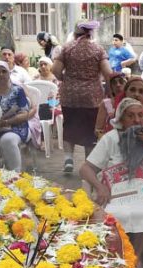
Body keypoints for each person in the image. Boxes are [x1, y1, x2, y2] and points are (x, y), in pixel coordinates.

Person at [79, 97, 143, 268]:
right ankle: (131, 259)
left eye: (140, 116)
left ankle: (132, 259)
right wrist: (99, 187)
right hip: (114, 192)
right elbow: (85, 169)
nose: (137, 121)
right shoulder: (111, 138)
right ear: (121, 119)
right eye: (131, 116)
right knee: (114, 213)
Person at [52, 20, 113, 173]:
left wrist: (65, 79)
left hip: (70, 95)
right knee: (90, 130)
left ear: (75, 34)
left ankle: (68, 159)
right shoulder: (98, 50)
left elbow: (55, 69)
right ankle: (89, 164)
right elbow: (108, 73)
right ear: (90, 33)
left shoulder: (66, 48)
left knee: (69, 126)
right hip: (91, 97)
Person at [0, 61, 33, 172]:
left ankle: (15, 174)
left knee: (7, 140)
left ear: (9, 74)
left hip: (15, 127)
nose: (1, 74)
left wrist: (6, 122)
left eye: (4, 71)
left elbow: (24, 114)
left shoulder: (17, 90)